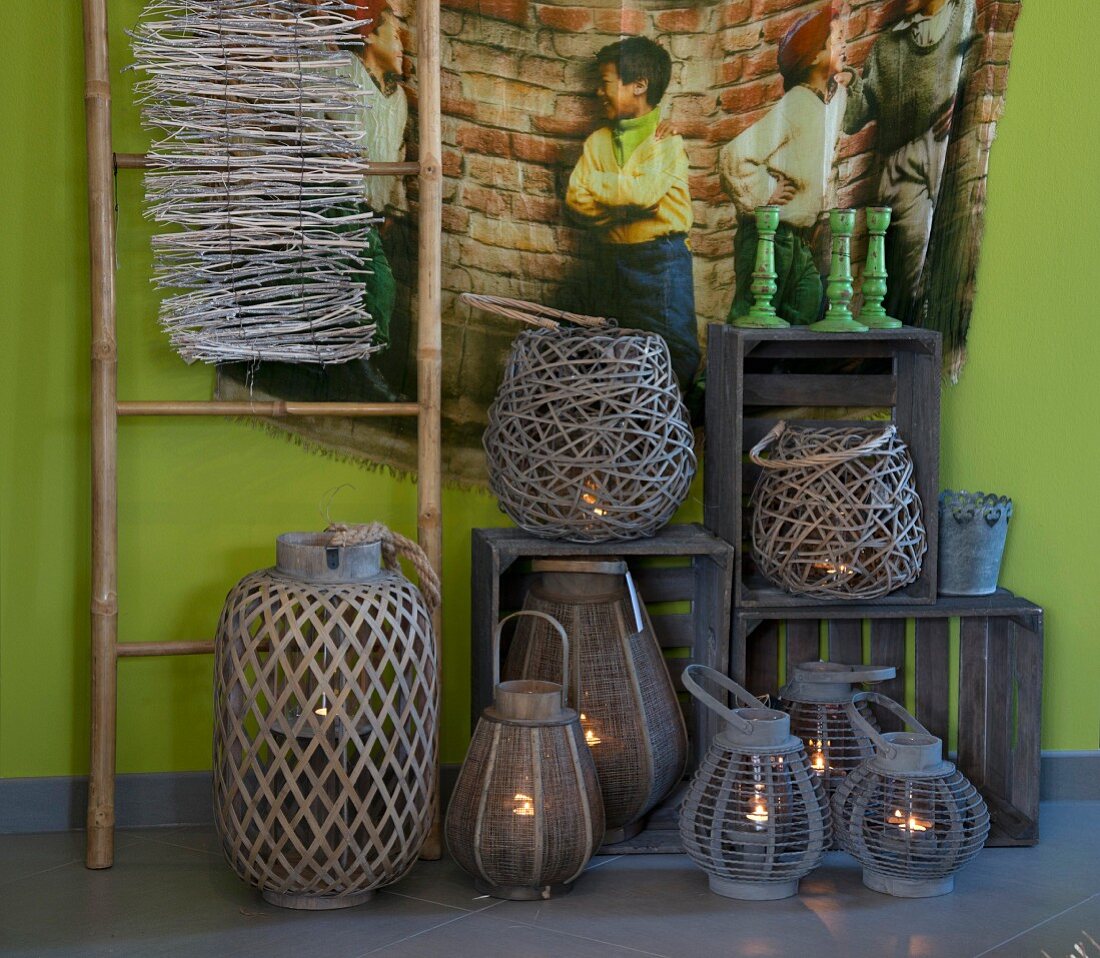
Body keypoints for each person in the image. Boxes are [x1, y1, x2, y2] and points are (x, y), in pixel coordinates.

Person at [565, 37, 699, 391]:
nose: (598, 92)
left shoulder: (668, 142)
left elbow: (642, 195)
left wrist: (600, 186)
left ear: (639, 86)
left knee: (675, 352)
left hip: (661, 262)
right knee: (610, 352)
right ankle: (625, 428)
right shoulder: (596, 142)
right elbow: (577, 201)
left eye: (605, 83)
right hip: (611, 261)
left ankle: (666, 429)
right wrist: (629, 205)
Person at [840, 0, 977, 320]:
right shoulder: (889, 45)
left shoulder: (966, 24)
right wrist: (847, 81)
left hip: (951, 181)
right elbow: (853, 118)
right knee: (898, 291)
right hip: (901, 183)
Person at [718, 5, 847, 326]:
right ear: (815, 57)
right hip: (768, 237)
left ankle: (777, 375)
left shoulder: (824, 104)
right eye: (838, 39)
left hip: (799, 241)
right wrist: (765, 193)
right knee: (752, 319)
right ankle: (717, 378)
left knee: (805, 306)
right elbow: (734, 157)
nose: (845, 44)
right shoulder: (798, 103)